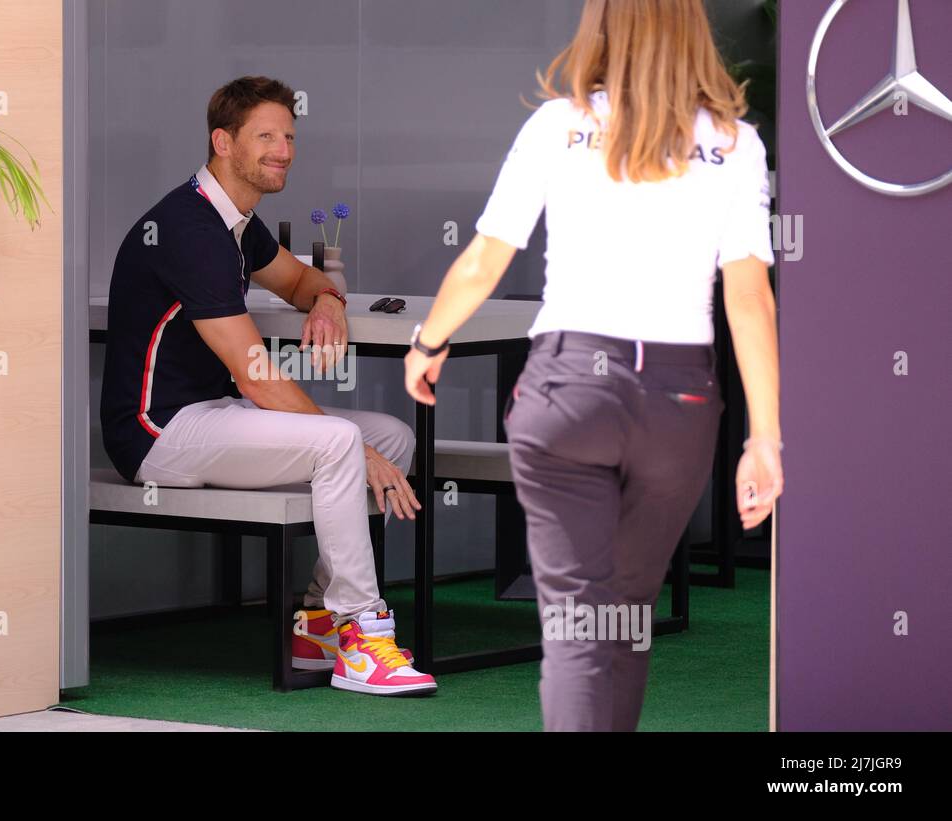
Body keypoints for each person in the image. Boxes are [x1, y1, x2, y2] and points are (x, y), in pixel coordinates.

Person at [403, 0, 783, 729]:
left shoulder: (556, 125)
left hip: (568, 384)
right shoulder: (735, 144)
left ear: (600, 27)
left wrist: (429, 342)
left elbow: (486, 257)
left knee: (579, 631)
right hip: (679, 403)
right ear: (691, 31)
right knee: (624, 620)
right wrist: (763, 439)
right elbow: (750, 299)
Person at [101, 76, 436, 696]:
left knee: (388, 435)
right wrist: (350, 448)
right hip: (156, 432)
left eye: (289, 135)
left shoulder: (236, 222)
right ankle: (363, 635)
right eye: (266, 136)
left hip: (210, 413)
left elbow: (305, 282)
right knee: (342, 443)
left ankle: (315, 623)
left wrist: (328, 304)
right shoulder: (190, 229)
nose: (283, 148)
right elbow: (257, 376)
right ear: (222, 142)